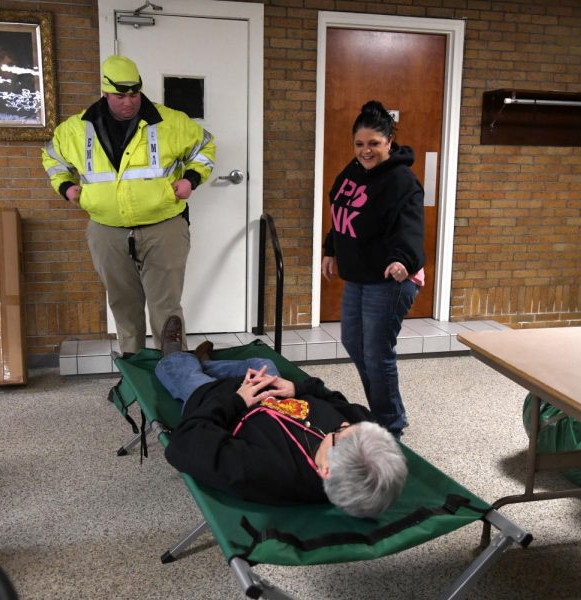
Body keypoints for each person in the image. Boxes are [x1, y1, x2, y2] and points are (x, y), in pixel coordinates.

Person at [41, 55, 215, 355]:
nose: (128, 103)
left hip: (164, 228)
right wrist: (66, 187)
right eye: (120, 96)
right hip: (107, 231)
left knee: (166, 310)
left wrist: (191, 179)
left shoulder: (170, 122)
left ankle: (175, 375)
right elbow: (52, 159)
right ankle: (133, 373)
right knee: (123, 306)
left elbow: (205, 147)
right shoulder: (74, 129)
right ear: (105, 93)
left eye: (134, 95)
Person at [156, 316, 408, 518]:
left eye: (339, 433)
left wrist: (236, 400)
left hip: (217, 401)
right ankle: (204, 364)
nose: (343, 424)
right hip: (274, 392)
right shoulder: (359, 436)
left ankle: (186, 360)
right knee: (261, 361)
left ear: (326, 470)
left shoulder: (265, 472)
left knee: (176, 368)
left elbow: (186, 442)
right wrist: (298, 389)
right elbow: (335, 399)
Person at [321, 100, 425, 439]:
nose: (366, 151)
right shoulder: (352, 172)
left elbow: (410, 228)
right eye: (360, 144)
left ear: (389, 143)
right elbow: (341, 215)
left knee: (377, 353)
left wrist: (402, 260)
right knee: (354, 342)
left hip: (391, 278)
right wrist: (330, 250)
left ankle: (390, 426)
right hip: (360, 275)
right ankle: (384, 413)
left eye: (374, 144)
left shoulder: (402, 181)